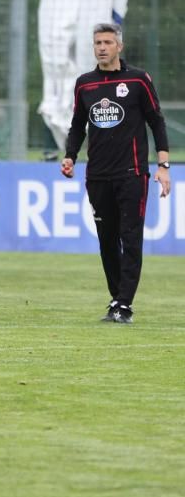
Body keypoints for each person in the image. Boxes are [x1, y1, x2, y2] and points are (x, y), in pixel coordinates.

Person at [61, 23, 171, 325]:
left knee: (130, 239)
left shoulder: (138, 79)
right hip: (97, 176)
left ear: (119, 46)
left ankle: (124, 305)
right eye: (98, 42)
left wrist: (163, 166)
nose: (102, 47)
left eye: (108, 42)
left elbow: (156, 122)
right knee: (107, 241)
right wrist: (70, 156)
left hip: (132, 174)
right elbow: (77, 125)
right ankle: (116, 300)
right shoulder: (85, 84)